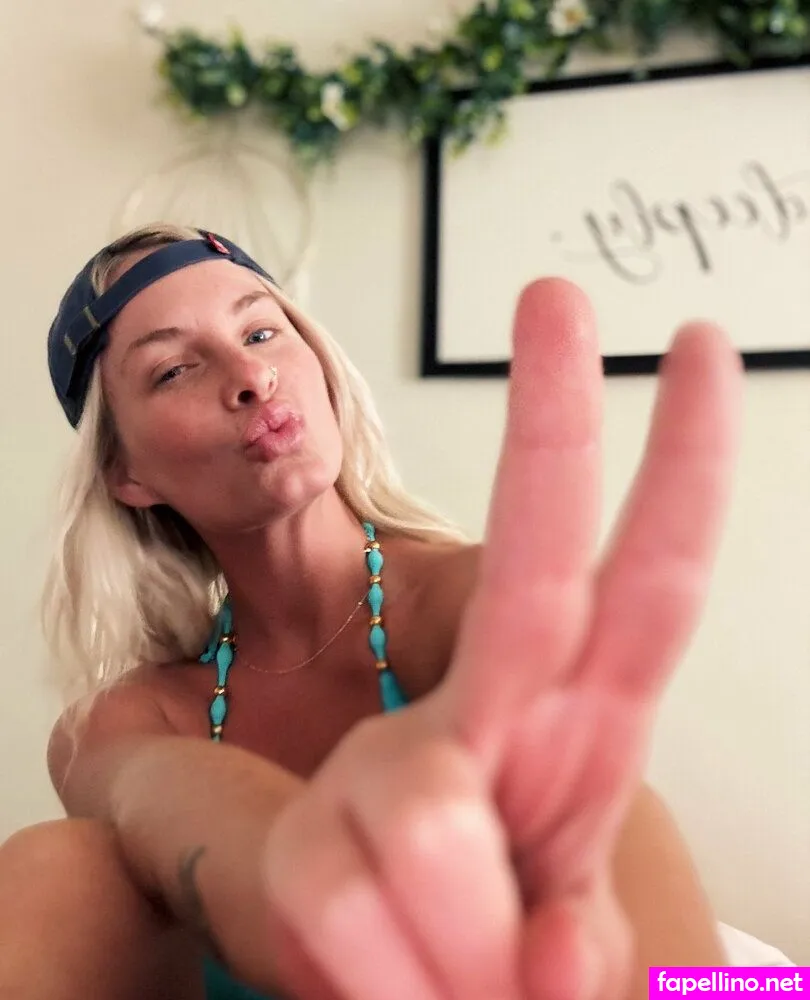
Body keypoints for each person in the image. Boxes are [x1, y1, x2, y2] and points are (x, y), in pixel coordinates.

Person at [0, 223, 742, 1000]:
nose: (251, 374)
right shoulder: (122, 723)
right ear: (125, 472)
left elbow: (598, 826)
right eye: (175, 369)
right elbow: (163, 797)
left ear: (320, 364)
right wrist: (318, 873)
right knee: (56, 863)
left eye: (261, 331)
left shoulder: (468, 602)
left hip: (669, 980)